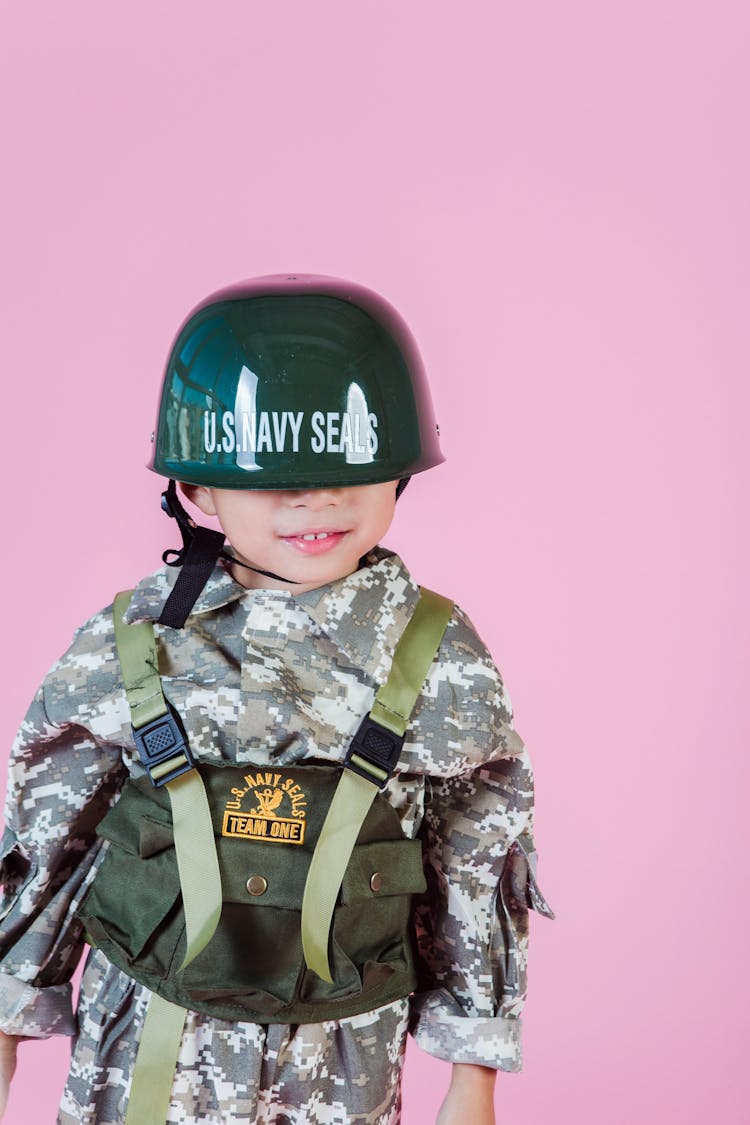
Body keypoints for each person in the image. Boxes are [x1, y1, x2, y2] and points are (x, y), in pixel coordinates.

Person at [0, 274, 554, 1125]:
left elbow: (476, 870)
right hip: (145, 1054)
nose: (315, 501)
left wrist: (471, 1078)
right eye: (274, 481)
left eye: (346, 472)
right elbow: (49, 844)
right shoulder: (132, 644)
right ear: (196, 490)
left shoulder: (442, 660)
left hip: (341, 1063)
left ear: (397, 471)